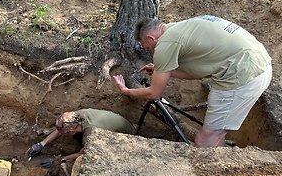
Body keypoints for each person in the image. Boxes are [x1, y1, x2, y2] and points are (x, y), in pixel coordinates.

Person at [113, 15, 272, 148]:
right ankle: (220, 164)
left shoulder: (165, 44)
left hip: (242, 75)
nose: (150, 51)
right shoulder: (179, 28)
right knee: (217, 132)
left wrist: (127, 91)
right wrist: (164, 70)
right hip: (259, 64)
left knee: (205, 140)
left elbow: (154, 93)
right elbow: (197, 71)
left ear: (150, 38)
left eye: (147, 47)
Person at [26, 108, 135, 162]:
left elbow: (83, 154)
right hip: (118, 124)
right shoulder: (75, 116)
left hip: (128, 139)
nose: (63, 134)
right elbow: (60, 129)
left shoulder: (92, 132)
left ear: (72, 128)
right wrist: (41, 144)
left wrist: (59, 160)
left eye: (65, 132)